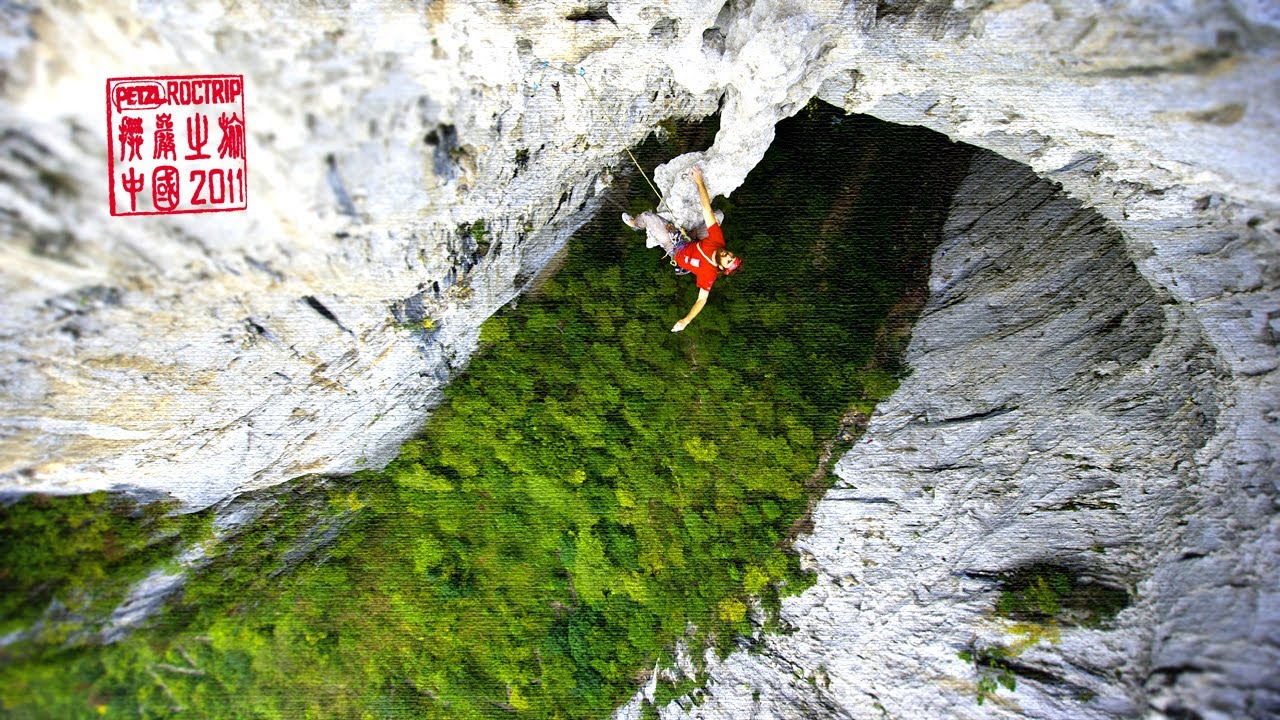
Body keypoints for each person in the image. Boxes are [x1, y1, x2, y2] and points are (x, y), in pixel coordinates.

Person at [668, 166, 740, 332]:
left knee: (650, 219)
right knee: (717, 215)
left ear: (721, 267)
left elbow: (702, 300)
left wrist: (686, 320)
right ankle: (692, 235)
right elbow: (707, 210)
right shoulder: (718, 241)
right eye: (732, 255)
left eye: (728, 261)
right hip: (696, 244)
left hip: (681, 251)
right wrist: (699, 181)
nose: (728, 255)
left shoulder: (709, 275)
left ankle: (636, 223)